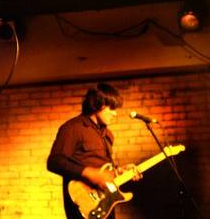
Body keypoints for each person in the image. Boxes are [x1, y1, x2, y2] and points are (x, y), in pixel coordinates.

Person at [47, 82, 142, 219]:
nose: (115, 114)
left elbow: (104, 169)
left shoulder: (108, 134)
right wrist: (89, 173)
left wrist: (119, 171)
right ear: (100, 105)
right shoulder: (73, 128)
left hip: (106, 203)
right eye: (112, 108)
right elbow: (55, 161)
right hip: (83, 203)